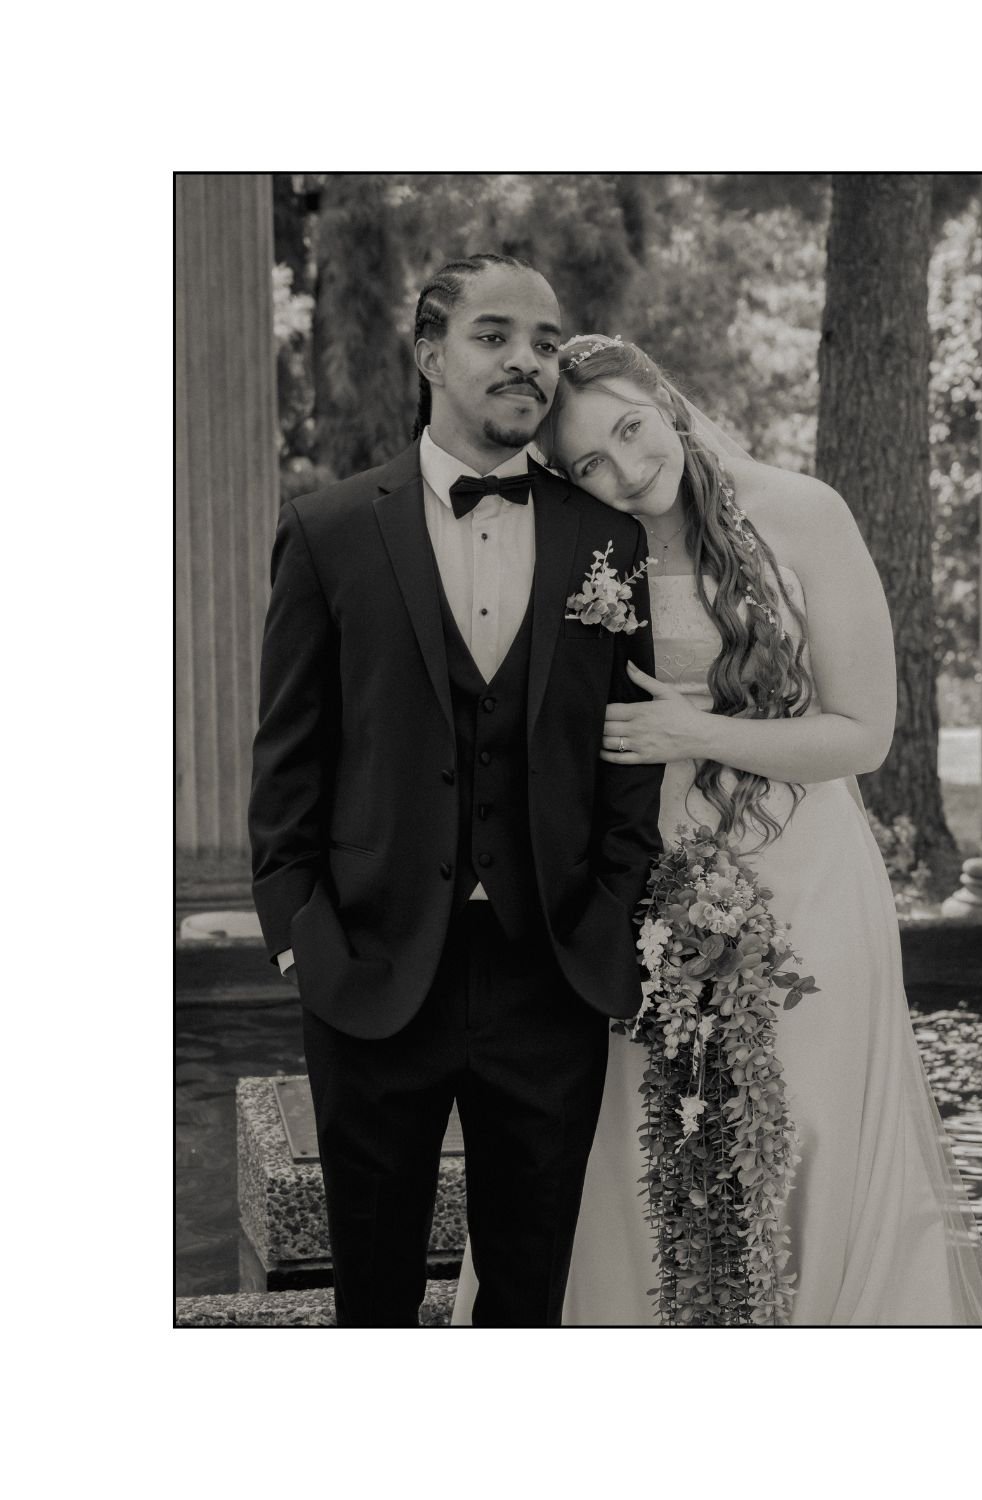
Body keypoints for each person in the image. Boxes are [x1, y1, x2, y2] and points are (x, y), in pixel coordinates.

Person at [453, 333, 982, 1326]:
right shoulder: (581, 546)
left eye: (630, 429)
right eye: (590, 463)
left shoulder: (803, 513)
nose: (627, 470)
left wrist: (690, 729)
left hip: (807, 882)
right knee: (633, 1139)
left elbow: (865, 734)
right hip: (644, 889)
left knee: (811, 1128)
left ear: (663, 397)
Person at [248, 266, 663, 1327]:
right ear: (431, 354)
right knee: (374, 1301)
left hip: (550, 971)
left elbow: (629, 754)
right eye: (495, 335)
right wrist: (302, 935)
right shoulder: (331, 529)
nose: (528, 358)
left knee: (527, 1300)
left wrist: (610, 913)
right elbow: (290, 758)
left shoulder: (605, 543)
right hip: (374, 968)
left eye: (545, 337)